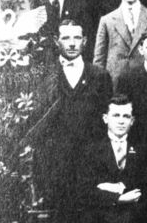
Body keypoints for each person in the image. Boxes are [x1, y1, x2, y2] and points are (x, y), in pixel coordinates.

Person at [32, 20, 113, 207]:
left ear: (85, 41)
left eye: (77, 38)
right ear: (56, 41)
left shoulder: (100, 76)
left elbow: (105, 121)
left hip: (89, 162)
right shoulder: (45, 76)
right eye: (66, 38)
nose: (71, 43)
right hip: (55, 165)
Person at [79, 95, 147, 223]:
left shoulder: (143, 149)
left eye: (126, 116)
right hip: (101, 214)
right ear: (105, 118)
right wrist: (118, 198)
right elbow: (84, 190)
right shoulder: (91, 150)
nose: (121, 121)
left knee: (127, 215)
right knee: (123, 215)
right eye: (116, 115)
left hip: (134, 212)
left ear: (132, 121)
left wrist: (108, 187)